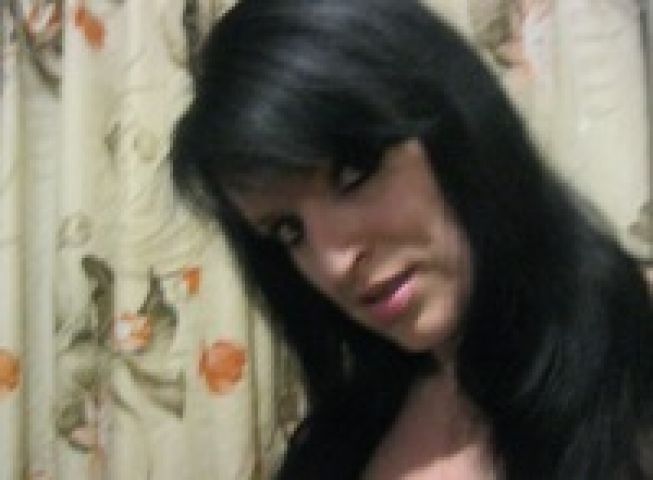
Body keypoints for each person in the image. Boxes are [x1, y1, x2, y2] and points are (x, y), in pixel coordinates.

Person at [170, 0, 653, 478]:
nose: (333, 264)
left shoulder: (630, 362)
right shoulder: (356, 424)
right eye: (288, 230)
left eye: (353, 173)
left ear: (454, 121)